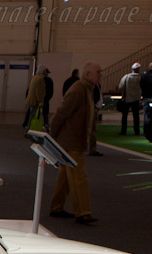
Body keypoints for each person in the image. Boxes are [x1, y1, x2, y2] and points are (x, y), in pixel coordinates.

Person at [49, 62, 101, 225]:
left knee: (65, 176)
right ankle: (83, 212)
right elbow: (62, 113)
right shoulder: (78, 90)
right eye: (97, 73)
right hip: (71, 141)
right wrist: (52, 135)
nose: (100, 75)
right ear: (87, 75)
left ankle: (56, 207)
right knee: (79, 177)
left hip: (73, 140)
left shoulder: (87, 90)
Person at [117, 62, 142, 135]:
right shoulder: (140, 78)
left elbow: (120, 87)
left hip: (126, 99)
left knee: (124, 116)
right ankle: (136, 131)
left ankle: (123, 130)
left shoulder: (126, 77)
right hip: (136, 99)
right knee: (136, 116)